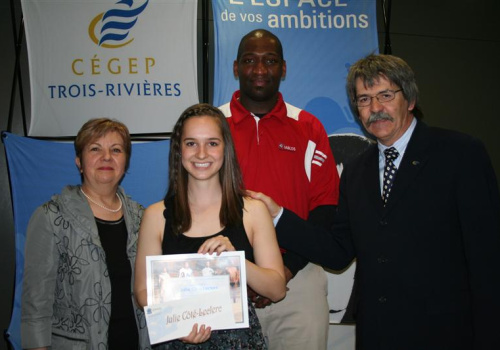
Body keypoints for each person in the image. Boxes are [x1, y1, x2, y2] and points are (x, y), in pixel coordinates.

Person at [259, 54, 500, 349]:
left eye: (385, 95)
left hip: (447, 332)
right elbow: (337, 252)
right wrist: (277, 215)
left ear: (409, 99)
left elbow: (487, 257)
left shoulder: (460, 154)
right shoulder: (356, 171)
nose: (375, 109)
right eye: (364, 100)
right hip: (378, 332)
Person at [218, 29, 340, 349]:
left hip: (297, 280)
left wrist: (285, 270)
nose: (260, 69)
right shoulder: (210, 124)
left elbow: (324, 209)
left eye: (270, 61)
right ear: (235, 68)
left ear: (283, 69)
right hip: (223, 282)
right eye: (250, 61)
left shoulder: (309, 126)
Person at [134, 103, 286, 348]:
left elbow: (277, 289)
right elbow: (142, 292)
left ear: (226, 149)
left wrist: (235, 261)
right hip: (177, 339)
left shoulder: (253, 211)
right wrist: (177, 324)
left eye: (212, 143)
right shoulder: (156, 215)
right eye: (191, 143)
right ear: (178, 150)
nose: (201, 153)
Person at [21, 118, 151, 349]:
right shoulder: (52, 217)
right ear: (79, 162)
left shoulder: (143, 218)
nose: (107, 157)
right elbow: (36, 306)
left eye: (116, 150)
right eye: (95, 149)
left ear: (126, 162)